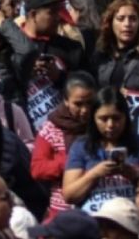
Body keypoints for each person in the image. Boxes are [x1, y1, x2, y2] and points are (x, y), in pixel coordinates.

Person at [62, 87, 139, 209]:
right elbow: (69, 195)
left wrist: (134, 175)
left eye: (116, 118)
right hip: (94, 222)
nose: (110, 125)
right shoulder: (81, 146)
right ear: (94, 118)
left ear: (126, 117)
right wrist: (95, 174)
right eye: (103, 119)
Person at [31, 72, 95, 220]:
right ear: (66, 100)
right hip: (63, 211)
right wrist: (71, 162)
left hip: (98, 207)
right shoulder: (51, 129)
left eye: (89, 103)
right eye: (78, 104)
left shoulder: (101, 125)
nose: (85, 110)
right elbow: (37, 169)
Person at [93, 0, 139, 93]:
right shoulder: (100, 54)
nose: (127, 24)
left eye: (133, 19)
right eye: (120, 19)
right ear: (110, 22)